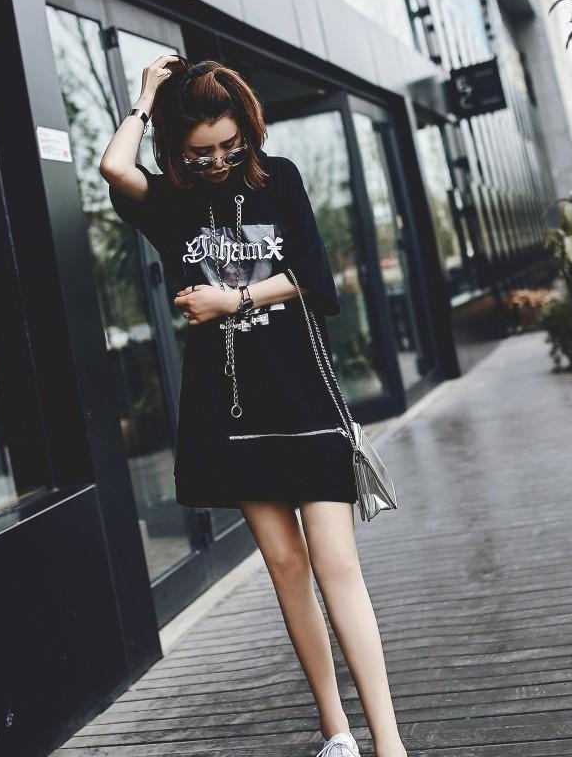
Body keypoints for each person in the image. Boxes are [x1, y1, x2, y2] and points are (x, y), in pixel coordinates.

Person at [99, 55, 409, 757]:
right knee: (286, 568)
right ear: (177, 148)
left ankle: (389, 743)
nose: (218, 162)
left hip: (304, 397)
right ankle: (337, 733)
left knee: (336, 564)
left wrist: (231, 298)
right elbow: (114, 167)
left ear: (248, 130)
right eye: (200, 152)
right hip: (231, 410)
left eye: (230, 146)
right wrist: (145, 98)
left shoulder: (281, 179)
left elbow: (314, 278)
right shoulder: (172, 203)